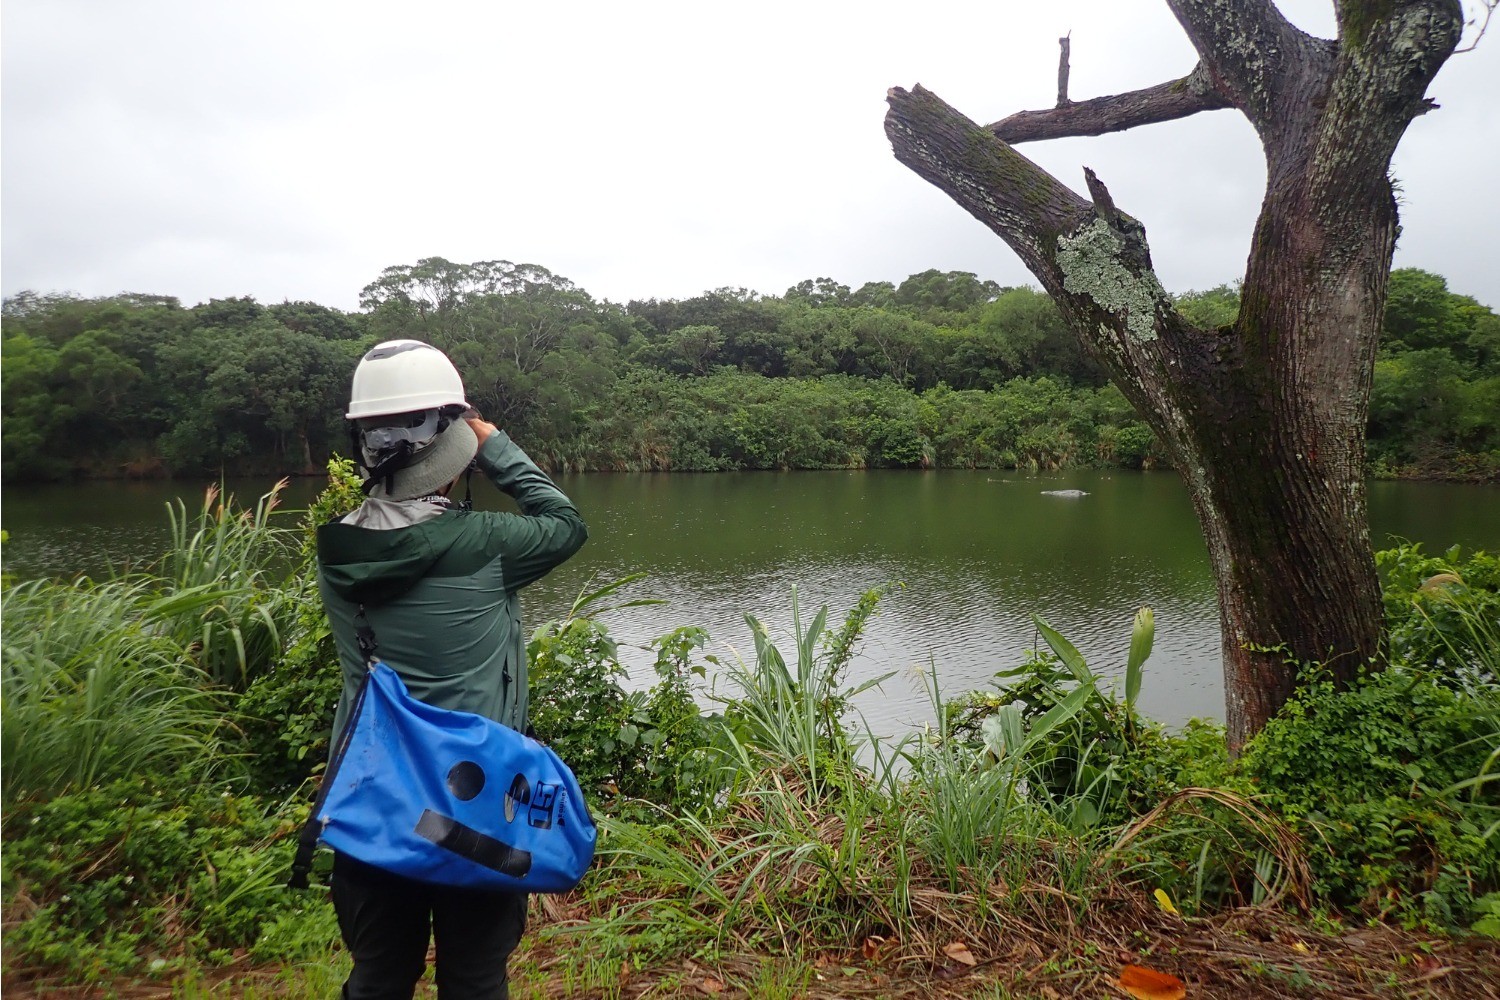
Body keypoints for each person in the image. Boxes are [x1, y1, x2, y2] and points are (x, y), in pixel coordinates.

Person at [315, 339, 587, 1000]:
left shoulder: (336, 547)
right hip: (474, 808)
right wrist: (494, 445)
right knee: (474, 979)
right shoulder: (485, 542)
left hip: (372, 801)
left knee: (378, 977)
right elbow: (565, 522)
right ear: (452, 449)